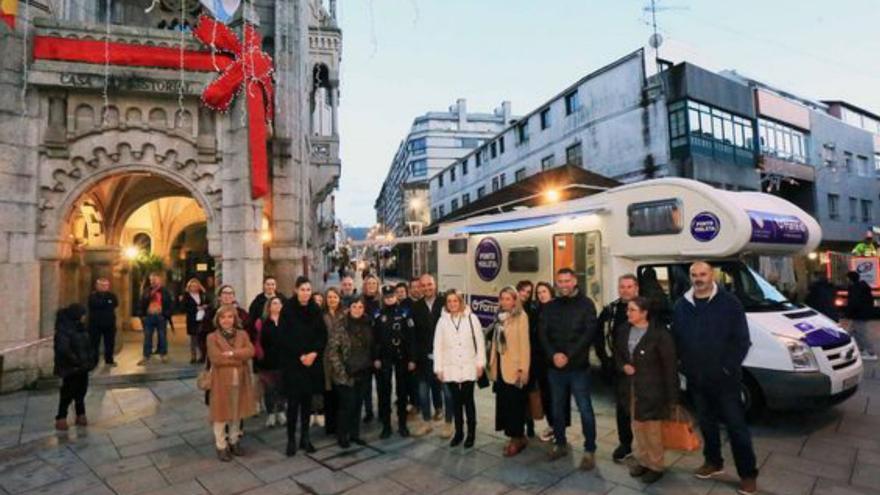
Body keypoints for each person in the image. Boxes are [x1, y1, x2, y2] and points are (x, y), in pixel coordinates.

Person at [672, 261, 758, 495]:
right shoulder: (682, 305)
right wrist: (682, 365)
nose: (698, 278)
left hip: (725, 381)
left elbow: (742, 340)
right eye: (694, 274)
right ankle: (713, 462)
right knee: (707, 424)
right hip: (696, 379)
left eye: (703, 274)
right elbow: (677, 339)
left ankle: (748, 474)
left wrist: (727, 369)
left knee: (736, 428)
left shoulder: (730, 303)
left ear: (712, 276)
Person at [539, 267, 599, 470]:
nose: (563, 285)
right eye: (560, 281)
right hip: (555, 368)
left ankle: (590, 449)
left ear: (574, 281)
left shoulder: (586, 304)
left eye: (567, 281)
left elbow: (588, 334)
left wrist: (568, 355)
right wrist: (553, 355)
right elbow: (543, 333)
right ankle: (560, 443)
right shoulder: (551, 306)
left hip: (578, 368)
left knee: (585, 410)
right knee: (557, 409)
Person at [614, 297, 678, 484]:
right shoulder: (624, 330)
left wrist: (673, 398)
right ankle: (642, 460)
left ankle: (656, 466)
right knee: (638, 426)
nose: (628, 313)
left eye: (632, 310)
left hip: (653, 390)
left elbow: (670, 366)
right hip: (631, 388)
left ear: (644, 313)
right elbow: (618, 354)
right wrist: (623, 366)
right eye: (628, 310)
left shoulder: (660, 334)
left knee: (652, 430)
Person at [277, 276, 327, 456]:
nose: (306, 293)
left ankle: (305, 438)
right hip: (293, 362)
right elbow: (284, 336)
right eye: (303, 289)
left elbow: (322, 334)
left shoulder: (315, 309)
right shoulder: (288, 309)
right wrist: (300, 355)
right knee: (293, 403)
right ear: (296, 290)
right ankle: (291, 439)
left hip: (311, 363)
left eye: (308, 289)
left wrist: (313, 353)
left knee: (307, 402)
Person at [433, 290, 486, 448]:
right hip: (451, 368)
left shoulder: (472, 318)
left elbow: (480, 342)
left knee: (468, 401)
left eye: (455, 301)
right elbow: (438, 346)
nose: (452, 304)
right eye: (449, 301)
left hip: (469, 366)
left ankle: (471, 434)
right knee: (455, 402)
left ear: (460, 302)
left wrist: (480, 364)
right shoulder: (442, 322)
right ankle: (459, 433)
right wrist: (439, 368)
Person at [206, 304, 257, 461]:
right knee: (220, 415)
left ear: (235, 319)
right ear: (218, 320)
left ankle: (234, 441)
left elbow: (251, 351)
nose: (226, 320)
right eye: (223, 317)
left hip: (240, 381)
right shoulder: (212, 337)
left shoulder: (242, 334)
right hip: (221, 382)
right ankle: (221, 446)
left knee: (237, 413)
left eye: (229, 317)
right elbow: (216, 359)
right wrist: (239, 359)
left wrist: (232, 353)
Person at [598, 274, 639, 462]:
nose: (625, 290)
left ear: (636, 288)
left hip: (643, 371)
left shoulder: (647, 309)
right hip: (619, 369)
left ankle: (649, 449)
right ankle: (625, 444)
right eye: (622, 286)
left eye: (629, 286)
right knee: (622, 409)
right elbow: (599, 336)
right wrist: (606, 362)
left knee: (645, 411)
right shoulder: (611, 310)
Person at [327, 297, 375, 447]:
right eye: (355, 306)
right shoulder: (340, 326)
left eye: (360, 307)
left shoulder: (368, 323)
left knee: (358, 405)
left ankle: (355, 434)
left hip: (363, 371)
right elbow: (332, 351)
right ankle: (343, 436)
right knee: (346, 406)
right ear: (349, 308)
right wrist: (341, 371)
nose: (357, 310)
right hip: (346, 374)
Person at [489, 286, 531, 456]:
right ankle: (512, 436)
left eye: (508, 299)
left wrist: (523, 369)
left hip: (514, 368)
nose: (504, 302)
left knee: (516, 405)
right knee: (505, 404)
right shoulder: (499, 317)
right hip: (500, 367)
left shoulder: (521, 317)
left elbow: (524, 345)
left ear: (515, 300)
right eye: (502, 298)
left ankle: (518, 438)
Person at [373, 285, 417, 438]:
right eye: (387, 297)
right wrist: (376, 358)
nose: (390, 299)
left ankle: (402, 425)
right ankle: (386, 426)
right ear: (383, 298)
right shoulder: (378, 314)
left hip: (402, 357)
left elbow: (411, 338)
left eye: (392, 296)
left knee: (402, 391)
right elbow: (375, 339)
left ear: (396, 297)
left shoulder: (405, 313)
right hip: (385, 357)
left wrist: (412, 358)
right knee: (385, 392)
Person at [411, 273, 451, 437]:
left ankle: (449, 423)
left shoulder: (445, 303)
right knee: (422, 391)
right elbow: (413, 335)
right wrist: (414, 358)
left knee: (448, 392)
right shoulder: (416, 307)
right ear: (419, 287)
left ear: (435, 284)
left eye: (430, 284)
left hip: (445, 356)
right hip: (423, 358)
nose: (427, 288)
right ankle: (426, 422)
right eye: (424, 285)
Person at [532, 281, 566, 443]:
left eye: (544, 291)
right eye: (538, 293)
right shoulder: (537, 310)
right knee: (546, 394)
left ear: (551, 292)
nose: (541, 295)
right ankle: (552, 425)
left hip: (554, 359)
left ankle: (558, 428)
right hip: (540, 360)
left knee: (556, 396)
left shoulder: (558, 309)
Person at [54, 303, 97, 431]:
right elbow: (63, 349)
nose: (84, 317)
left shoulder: (81, 328)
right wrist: (76, 361)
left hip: (83, 366)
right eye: (82, 314)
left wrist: (91, 359)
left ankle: (81, 414)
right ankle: (61, 417)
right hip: (70, 367)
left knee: (81, 391)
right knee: (68, 392)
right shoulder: (64, 330)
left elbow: (88, 344)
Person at [256, 296, 287, 428]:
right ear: (269, 306)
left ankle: (280, 411)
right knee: (269, 388)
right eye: (274, 303)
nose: (277, 305)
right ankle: (270, 414)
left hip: (283, 360)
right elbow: (257, 341)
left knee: (282, 387)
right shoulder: (261, 322)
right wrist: (260, 356)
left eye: (279, 303)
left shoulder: (286, 321)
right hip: (267, 361)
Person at [320, 288, 346, 435]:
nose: (332, 300)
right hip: (326, 357)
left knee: (340, 391)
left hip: (341, 356)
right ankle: (330, 425)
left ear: (339, 298)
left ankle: (341, 424)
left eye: (334, 297)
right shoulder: (321, 315)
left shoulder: (345, 314)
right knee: (328, 391)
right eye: (329, 297)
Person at [200, 285, 250, 361]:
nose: (228, 296)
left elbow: (248, 332)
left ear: (234, 297)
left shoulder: (242, 313)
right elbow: (203, 334)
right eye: (225, 293)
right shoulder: (211, 313)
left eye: (230, 293)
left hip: (237, 355)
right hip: (218, 354)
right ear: (219, 297)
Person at [516, 281, 537, 438]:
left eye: (528, 292)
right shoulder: (508, 308)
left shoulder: (532, 310)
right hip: (512, 359)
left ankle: (529, 425)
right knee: (516, 395)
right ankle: (518, 426)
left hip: (529, 356)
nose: (524, 294)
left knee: (528, 393)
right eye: (522, 291)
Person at [137, 272, 173, 365]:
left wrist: (166, 314)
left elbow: (170, 304)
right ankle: (146, 356)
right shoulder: (147, 291)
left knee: (162, 336)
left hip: (161, 316)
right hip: (149, 317)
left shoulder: (165, 291)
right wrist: (142, 315)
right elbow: (141, 303)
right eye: (151, 280)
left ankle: (163, 354)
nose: (153, 281)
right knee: (147, 336)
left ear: (159, 280)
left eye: (155, 279)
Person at [360, 274, 381, 423]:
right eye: (369, 283)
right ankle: (368, 411)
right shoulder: (359, 301)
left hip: (379, 347)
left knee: (382, 383)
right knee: (366, 384)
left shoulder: (382, 302)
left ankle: (383, 410)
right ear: (365, 285)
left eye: (374, 283)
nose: (371, 285)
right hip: (364, 349)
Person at [844, 271, 878, 361]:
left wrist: (847, 313)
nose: (846, 280)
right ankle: (859, 349)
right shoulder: (862, 287)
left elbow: (854, 303)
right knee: (851, 333)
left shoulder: (856, 288)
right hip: (860, 314)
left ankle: (871, 353)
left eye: (847, 278)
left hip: (859, 315)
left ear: (850, 279)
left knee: (861, 334)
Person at [87, 277, 119, 367]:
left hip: (109, 323)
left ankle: (109, 360)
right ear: (97, 286)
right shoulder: (93, 296)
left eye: (106, 285)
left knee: (110, 343)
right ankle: (94, 361)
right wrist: (107, 302)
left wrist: (107, 302)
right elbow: (97, 304)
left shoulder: (112, 296)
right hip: (95, 324)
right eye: (102, 285)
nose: (104, 287)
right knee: (94, 344)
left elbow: (115, 304)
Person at [182, 278, 208, 364]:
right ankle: (193, 356)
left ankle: (202, 356)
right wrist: (195, 308)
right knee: (193, 338)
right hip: (192, 319)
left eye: (196, 286)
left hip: (202, 318)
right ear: (189, 287)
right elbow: (183, 307)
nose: (194, 287)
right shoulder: (186, 296)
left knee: (201, 338)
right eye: (192, 286)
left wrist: (204, 306)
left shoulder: (202, 295)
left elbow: (209, 302)